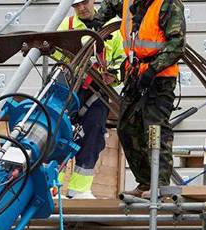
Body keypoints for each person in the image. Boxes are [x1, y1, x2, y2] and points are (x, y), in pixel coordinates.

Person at [91, 0, 186, 197]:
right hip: (136, 72)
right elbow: (110, 5)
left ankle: (159, 185)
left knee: (155, 128)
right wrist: (97, 22)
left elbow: (177, 44)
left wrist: (152, 70)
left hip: (160, 77)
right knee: (127, 127)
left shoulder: (168, 4)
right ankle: (145, 182)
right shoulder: (128, 2)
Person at [57, 0, 125, 199]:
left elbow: (122, 60)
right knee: (60, 137)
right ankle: (53, 187)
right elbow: (55, 53)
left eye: (85, 3)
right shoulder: (68, 27)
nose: (82, 8)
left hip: (97, 91)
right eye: (77, 5)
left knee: (93, 137)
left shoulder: (112, 26)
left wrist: (115, 75)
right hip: (71, 89)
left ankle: (79, 189)